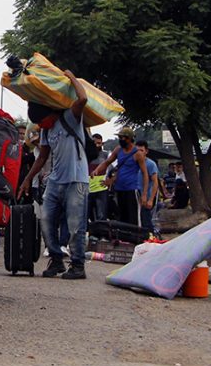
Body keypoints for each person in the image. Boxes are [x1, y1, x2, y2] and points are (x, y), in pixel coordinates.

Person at [19, 70, 90, 280]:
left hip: (77, 180)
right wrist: (27, 179)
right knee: (46, 221)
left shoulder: (71, 117)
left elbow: (83, 98)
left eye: (44, 121)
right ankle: (57, 260)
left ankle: (78, 265)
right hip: (55, 181)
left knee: (76, 226)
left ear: (52, 113)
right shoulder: (46, 131)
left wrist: (71, 76)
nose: (42, 125)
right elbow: (41, 158)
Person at [93, 127, 149, 226]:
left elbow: (145, 174)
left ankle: (136, 239)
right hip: (119, 189)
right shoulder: (118, 150)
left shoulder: (138, 154)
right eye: (119, 137)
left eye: (123, 138)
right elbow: (107, 162)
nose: (121, 140)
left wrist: (144, 194)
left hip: (132, 189)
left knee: (133, 218)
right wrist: (97, 170)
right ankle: (125, 239)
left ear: (129, 139)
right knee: (122, 218)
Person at [135, 141, 160, 233]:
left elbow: (155, 182)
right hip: (135, 196)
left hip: (146, 197)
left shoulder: (150, 164)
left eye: (141, 150)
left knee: (146, 222)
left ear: (146, 151)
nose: (139, 153)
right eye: (137, 151)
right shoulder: (133, 163)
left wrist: (151, 199)